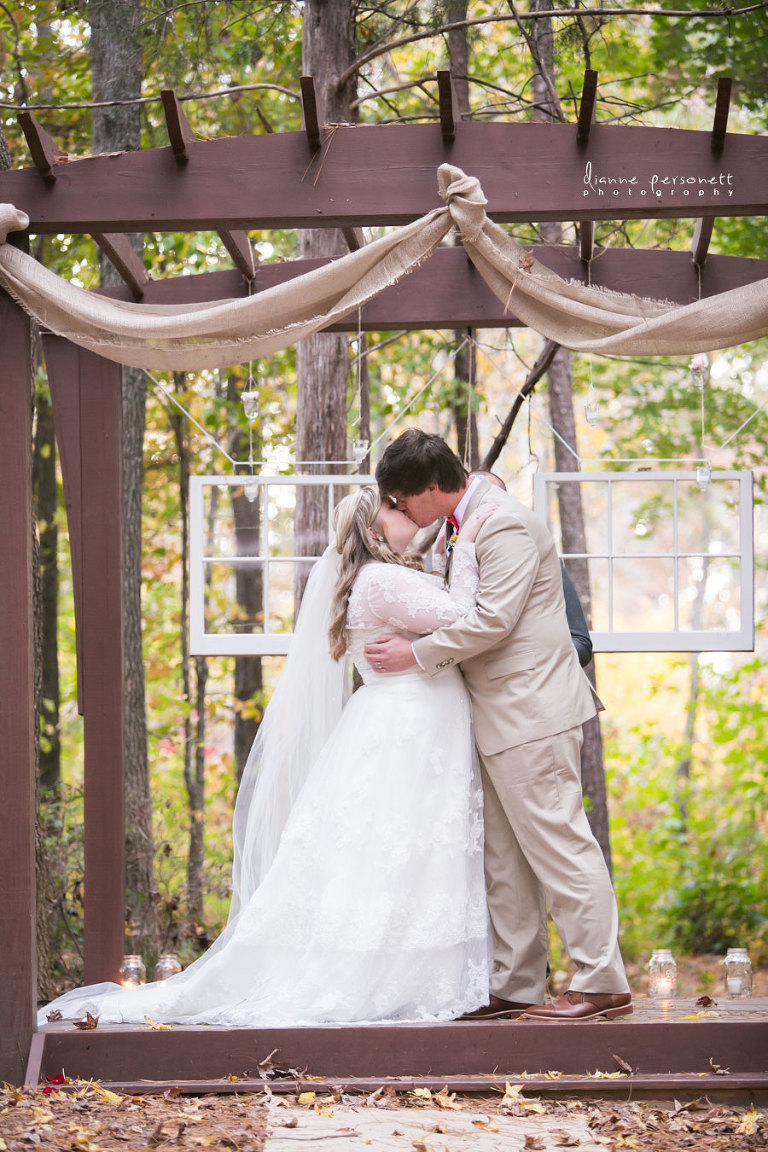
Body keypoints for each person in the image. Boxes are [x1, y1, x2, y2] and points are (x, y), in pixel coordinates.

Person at [39, 486, 493, 1028]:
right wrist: (468, 547)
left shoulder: (393, 574)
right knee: (397, 851)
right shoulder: (381, 579)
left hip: (417, 727)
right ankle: (385, 976)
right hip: (407, 730)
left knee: (411, 853)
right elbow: (462, 612)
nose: (404, 511)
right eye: (392, 509)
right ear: (374, 532)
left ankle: (416, 972)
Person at [366, 431, 631, 1021]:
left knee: (561, 845)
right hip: (495, 715)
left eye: (406, 501)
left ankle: (601, 981)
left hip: (532, 712)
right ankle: (516, 984)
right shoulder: (462, 524)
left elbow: (494, 621)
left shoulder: (504, 524)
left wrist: (417, 654)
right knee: (505, 859)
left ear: (433, 487)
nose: (405, 512)